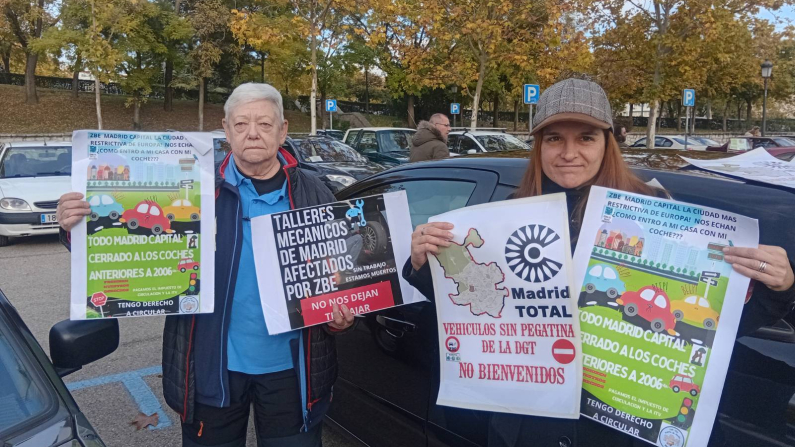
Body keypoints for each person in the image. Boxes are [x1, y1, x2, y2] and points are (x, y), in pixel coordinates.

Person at [401, 78, 795, 446]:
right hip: (528, 424)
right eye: (554, 138)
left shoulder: (657, 213)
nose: (569, 153)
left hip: (617, 426)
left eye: (585, 138)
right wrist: (426, 263)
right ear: (539, 145)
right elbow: (481, 307)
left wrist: (778, 287)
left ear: (608, 143)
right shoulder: (508, 215)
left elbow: (703, 326)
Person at [55, 83, 356, 447]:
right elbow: (130, 247)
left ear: (283, 130)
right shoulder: (193, 190)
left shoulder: (314, 191)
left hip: (294, 372)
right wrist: (78, 228)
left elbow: (341, 274)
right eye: (241, 124)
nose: (253, 133)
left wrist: (342, 318)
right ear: (226, 131)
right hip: (210, 369)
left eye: (264, 123)